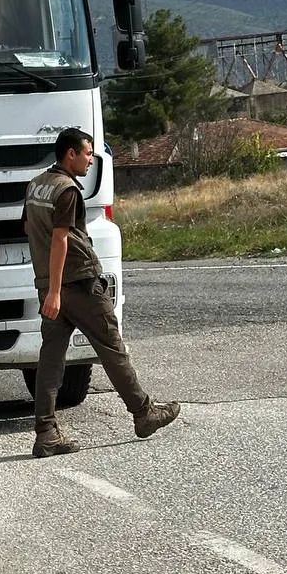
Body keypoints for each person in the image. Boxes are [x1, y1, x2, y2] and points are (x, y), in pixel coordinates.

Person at [23, 130, 180, 458]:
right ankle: (143, 413)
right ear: (70, 154)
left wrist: (48, 288)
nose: (91, 159)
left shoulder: (37, 184)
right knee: (112, 349)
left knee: (51, 359)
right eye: (87, 154)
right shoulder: (66, 191)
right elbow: (59, 240)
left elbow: (29, 230)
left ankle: (46, 433)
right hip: (78, 285)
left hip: (49, 284)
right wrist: (56, 291)